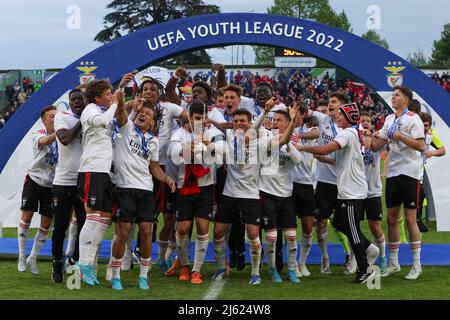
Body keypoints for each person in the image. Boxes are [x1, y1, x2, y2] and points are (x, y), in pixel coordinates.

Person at [295, 103, 379, 284]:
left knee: (352, 229)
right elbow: (335, 160)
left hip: (352, 190)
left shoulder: (347, 133)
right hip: (348, 189)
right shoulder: (352, 133)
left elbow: (327, 149)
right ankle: (370, 249)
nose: (337, 117)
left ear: (348, 117)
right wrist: (317, 156)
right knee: (340, 222)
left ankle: (365, 269)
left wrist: (303, 148)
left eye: (340, 114)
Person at [110, 81, 176, 290]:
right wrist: (122, 91)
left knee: (147, 231)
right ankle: (116, 274)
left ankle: (144, 275)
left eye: (148, 114)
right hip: (124, 187)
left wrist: (165, 178)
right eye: (142, 112)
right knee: (123, 230)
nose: (143, 114)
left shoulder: (153, 141)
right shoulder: (126, 127)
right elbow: (120, 110)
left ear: (153, 124)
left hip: (146, 189)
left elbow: (154, 167)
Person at [370, 86, 425, 280]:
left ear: (406, 100)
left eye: (397, 95)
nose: (393, 98)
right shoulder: (389, 119)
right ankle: (394, 263)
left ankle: (417, 265)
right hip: (392, 172)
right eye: (392, 95)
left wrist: (400, 136)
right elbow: (379, 144)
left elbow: (421, 145)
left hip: (410, 172)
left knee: (410, 219)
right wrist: (371, 138)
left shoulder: (413, 118)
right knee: (391, 219)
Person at [168, 100, 223, 284]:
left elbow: (223, 152)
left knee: (202, 226)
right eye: (195, 118)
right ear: (189, 118)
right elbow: (172, 153)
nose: (199, 121)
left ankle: (197, 270)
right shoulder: (180, 133)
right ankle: (184, 265)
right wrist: (187, 149)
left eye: (202, 118)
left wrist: (208, 145)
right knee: (182, 228)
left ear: (206, 118)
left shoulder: (212, 133)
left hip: (206, 187)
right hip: (185, 185)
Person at [76, 79, 119, 286]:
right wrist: (117, 104)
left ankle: (89, 266)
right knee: (92, 218)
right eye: (108, 92)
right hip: (91, 169)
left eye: (111, 92)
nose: (111, 95)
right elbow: (101, 122)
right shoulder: (90, 109)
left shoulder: (103, 109)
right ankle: (83, 264)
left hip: (104, 171)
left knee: (104, 219)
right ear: (97, 97)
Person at [257, 104, 301, 283]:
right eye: (274, 120)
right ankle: (272, 268)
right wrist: (285, 138)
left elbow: (297, 160)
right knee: (272, 237)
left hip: (286, 194)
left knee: (291, 236)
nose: (275, 122)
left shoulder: (296, 140)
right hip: (267, 193)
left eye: (279, 120)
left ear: (289, 124)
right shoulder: (266, 136)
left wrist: (289, 139)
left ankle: (291, 269)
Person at [50, 89, 87, 283]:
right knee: (61, 225)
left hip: (84, 180)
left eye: (81, 99)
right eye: (74, 99)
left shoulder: (93, 117)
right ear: (69, 102)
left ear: (86, 100)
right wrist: (84, 120)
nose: (77, 102)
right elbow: (65, 140)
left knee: (84, 224)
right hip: (63, 180)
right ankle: (57, 261)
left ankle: (75, 260)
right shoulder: (62, 117)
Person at [17, 106, 58, 275]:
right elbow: (44, 142)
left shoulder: (65, 137)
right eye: (51, 116)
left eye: (56, 116)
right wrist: (61, 132)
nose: (54, 119)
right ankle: (21, 256)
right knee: (26, 215)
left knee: (46, 223)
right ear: (43, 120)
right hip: (33, 180)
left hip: (51, 185)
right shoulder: (38, 133)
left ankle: (32, 257)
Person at [291, 104, 319, 277]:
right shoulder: (285, 128)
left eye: (296, 112)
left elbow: (316, 134)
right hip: (289, 183)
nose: (292, 114)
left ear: (302, 114)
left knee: (308, 227)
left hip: (307, 184)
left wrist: (297, 135)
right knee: (290, 227)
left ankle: (302, 262)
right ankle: (293, 263)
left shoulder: (310, 129)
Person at [359, 111, 388, 273]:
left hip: (373, 191)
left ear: (371, 124)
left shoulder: (376, 141)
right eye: (362, 120)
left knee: (375, 227)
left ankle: (383, 256)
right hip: (357, 191)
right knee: (353, 226)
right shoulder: (354, 139)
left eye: (368, 121)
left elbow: (385, 141)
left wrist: (372, 135)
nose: (365, 123)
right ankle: (355, 258)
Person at [417, 112, 446, 232]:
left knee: (420, 196)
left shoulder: (430, 134)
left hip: (419, 171)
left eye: (426, 125)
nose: (424, 128)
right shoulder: (411, 132)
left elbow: (442, 149)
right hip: (404, 170)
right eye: (422, 125)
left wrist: (432, 153)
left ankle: (417, 220)